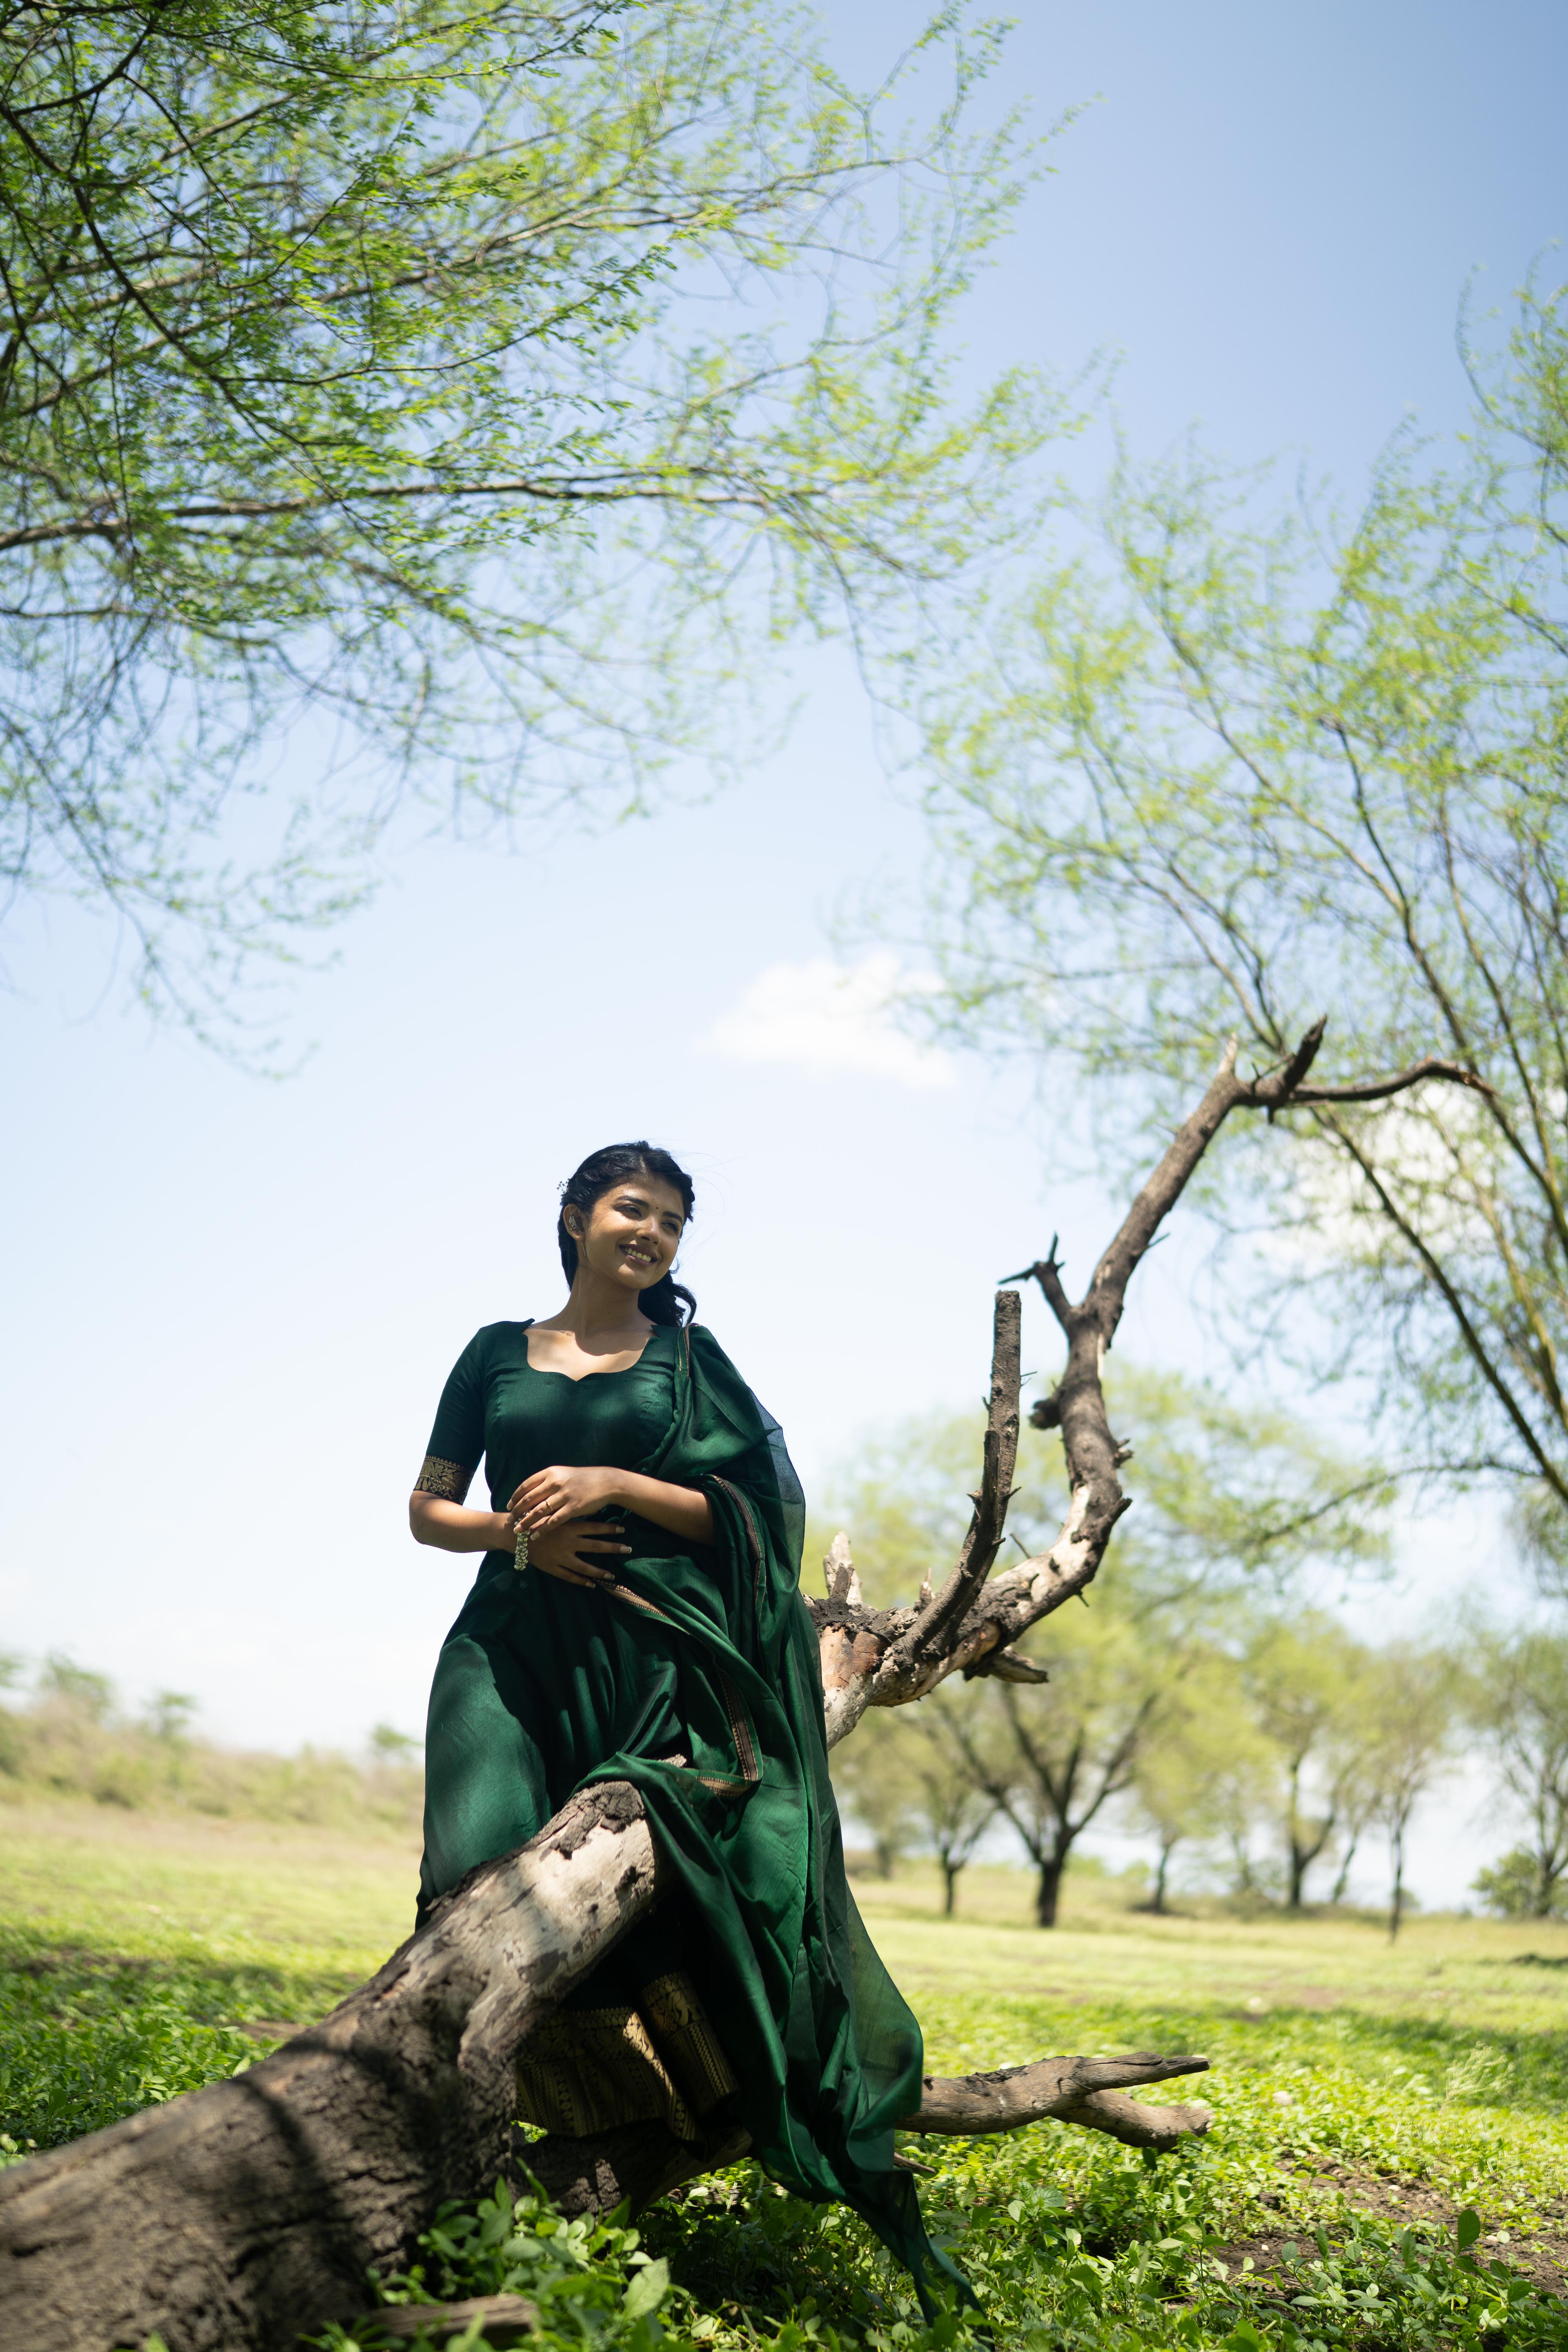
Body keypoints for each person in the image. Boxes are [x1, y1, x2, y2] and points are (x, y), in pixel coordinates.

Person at [409, 1142, 966, 2314]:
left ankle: (648, 2111)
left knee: (619, 1880)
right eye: (628, 1209)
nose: (649, 1234)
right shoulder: (493, 1354)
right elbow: (426, 1509)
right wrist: (520, 1537)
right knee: (474, 1868)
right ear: (573, 1218)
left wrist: (607, 1487)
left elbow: (760, 1512)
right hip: (508, 1642)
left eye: (669, 1222)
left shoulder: (690, 1362)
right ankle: (437, 2146)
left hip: (643, 1647)